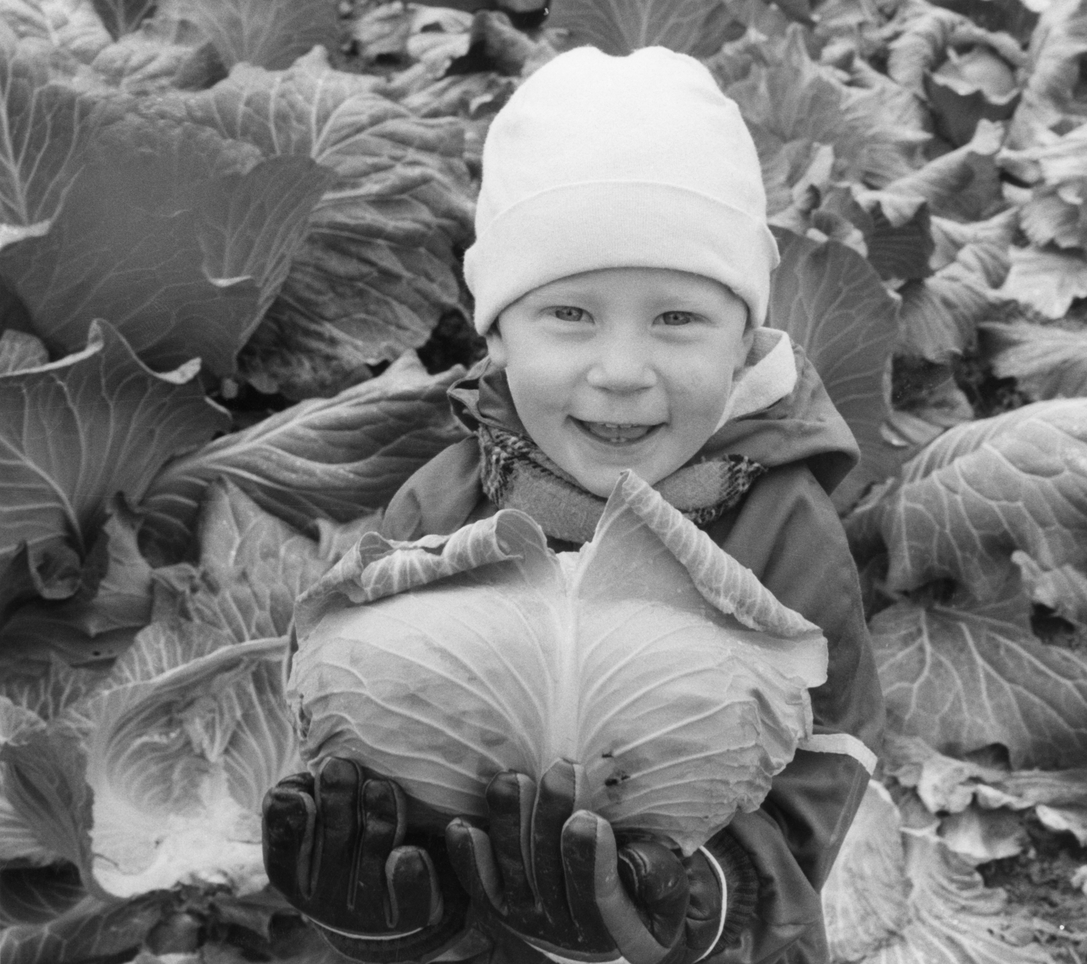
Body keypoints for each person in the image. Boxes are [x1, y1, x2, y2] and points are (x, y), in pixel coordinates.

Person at [262, 45, 883, 964]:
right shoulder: (438, 503)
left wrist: (690, 906)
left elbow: (825, 773)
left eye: (678, 319)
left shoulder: (785, 527)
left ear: (746, 340)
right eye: (570, 316)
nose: (622, 371)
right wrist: (387, 917)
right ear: (499, 332)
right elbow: (353, 722)